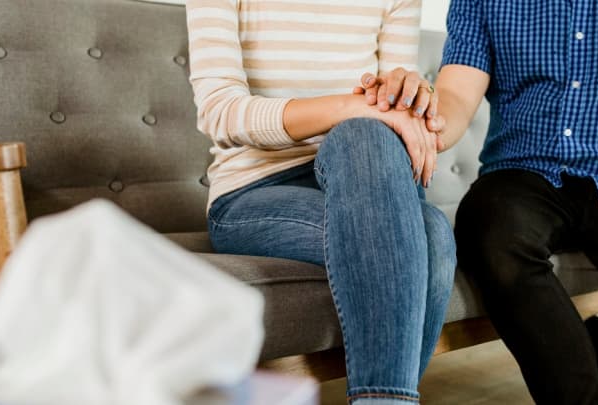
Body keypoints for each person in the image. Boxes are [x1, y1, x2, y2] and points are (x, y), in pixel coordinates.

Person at [359, 0, 598, 404]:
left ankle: (590, 343)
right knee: (488, 227)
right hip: (523, 177)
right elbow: (457, 93)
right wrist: (419, 119)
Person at [184, 1, 455, 404]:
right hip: (252, 191)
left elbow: (392, 111)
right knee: (423, 225)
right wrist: (350, 107)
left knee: (413, 205)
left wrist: (410, 95)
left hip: (365, 172)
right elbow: (220, 111)